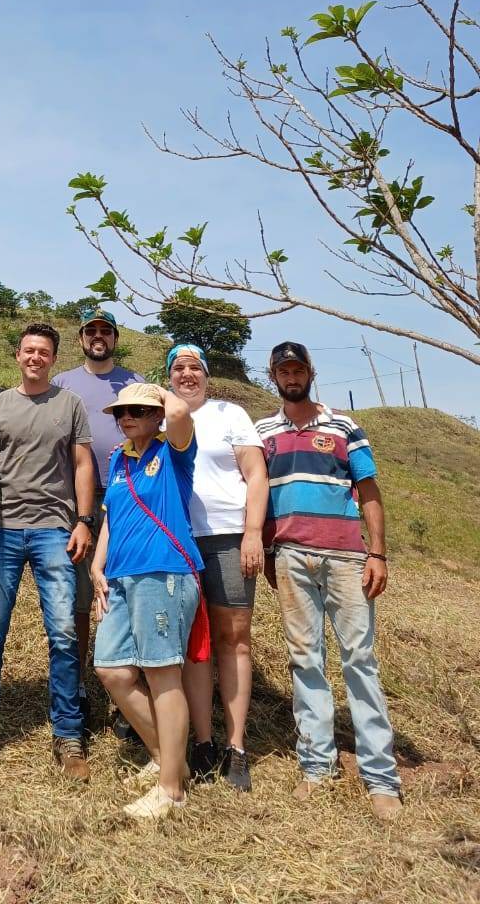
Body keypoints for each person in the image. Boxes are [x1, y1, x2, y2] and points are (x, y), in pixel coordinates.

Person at [255, 341, 403, 821]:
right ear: (273, 375)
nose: (292, 376)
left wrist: (377, 553)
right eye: (284, 370)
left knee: (360, 659)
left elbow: (370, 493)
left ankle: (381, 778)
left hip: (345, 558)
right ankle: (317, 767)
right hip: (291, 556)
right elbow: (258, 497)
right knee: (305, 660)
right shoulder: (264, 432)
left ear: (310, 372)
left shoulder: (344, 425)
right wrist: (270, 550)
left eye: (298, 369)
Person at [0, 322, 96, 782]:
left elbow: (82, 463)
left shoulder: (70, 404)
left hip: (55, 532)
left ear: (53, 359)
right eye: (28, 351)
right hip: (1, 530)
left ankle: (69, 733)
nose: (35, 357)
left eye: (44, 352)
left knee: (62, 634)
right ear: (17, 356)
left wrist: (83, 520)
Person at [91, 382, 202, 820]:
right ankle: (166, 759)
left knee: (161, 674)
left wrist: (160, 391)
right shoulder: (119, 457)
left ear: (156, 414)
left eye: (139, 409)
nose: (127, 417)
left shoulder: (173, 451)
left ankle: (171, 789)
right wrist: (98, 565)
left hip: (164, 570)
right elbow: (111, 519)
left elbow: (180, 415)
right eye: (122, 411)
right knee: (112, 669)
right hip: (119, 576)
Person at [167, 343, 268, 792]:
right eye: (178, 367)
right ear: (169, 375)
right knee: (195, 643)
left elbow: (256, 475)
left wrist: (252, 533)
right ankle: (203, 742)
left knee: (234, 640)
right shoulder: (160, 415)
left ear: (206, 375)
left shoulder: (230, 414)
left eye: (195, 368)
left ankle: (236, 746)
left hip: (229, 537)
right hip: (179, 542)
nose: (187, 374)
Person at [51, 307, 144, 707]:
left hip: (131, 494)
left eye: (106, 330)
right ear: (81, 338)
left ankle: (129, 674)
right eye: (92, 331)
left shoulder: (134, 382)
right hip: (80, 499)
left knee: (127, 584)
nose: (99, 336)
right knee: (79, 594)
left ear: (115, 338)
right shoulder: (63, 383)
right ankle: (79, 680)